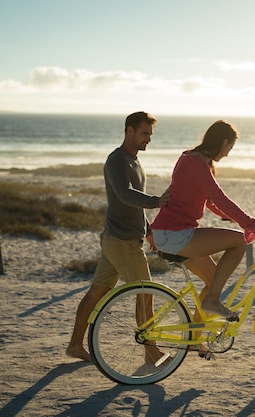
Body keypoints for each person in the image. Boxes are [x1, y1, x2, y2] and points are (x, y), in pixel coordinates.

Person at [150, 120, 255, 324]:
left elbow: (211, 202)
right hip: (175, 234)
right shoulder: (196, 163)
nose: (228, 153)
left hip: (169, 233)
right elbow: (220, 198)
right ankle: (212, 301)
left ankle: (195, 339)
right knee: (239, 241)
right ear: (223, 142)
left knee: (213, 281)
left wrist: (234, 218)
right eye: (230, 147)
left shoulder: (193, 159)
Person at [66, 111, 169, 363]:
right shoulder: (116, 160)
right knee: (146, 292)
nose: (148, 139)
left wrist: (148, 230)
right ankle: (151, 351)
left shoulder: (134, 160)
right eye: (144, 133)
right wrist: (157, 201)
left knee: (96, 292)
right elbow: (125, 194)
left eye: (150, 135)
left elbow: (134, 204)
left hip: (121, 239)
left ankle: (75, 346)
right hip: (121, 241)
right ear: (129, 131)